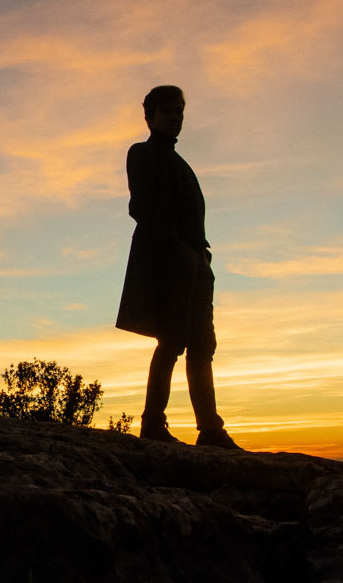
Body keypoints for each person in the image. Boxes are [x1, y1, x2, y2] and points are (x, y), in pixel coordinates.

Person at [116, 85, 240, 449]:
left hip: (196, 263)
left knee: (203, 343)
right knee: (172, 340)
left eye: (179, 112)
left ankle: (210, 430)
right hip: (171, 261)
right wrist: (179, 252)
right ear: (150, 116)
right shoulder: (142, 153)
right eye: (168, 111)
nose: (175, 118)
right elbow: (142, 208)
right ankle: (153, 423)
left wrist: (202, 259)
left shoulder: (181, 163)